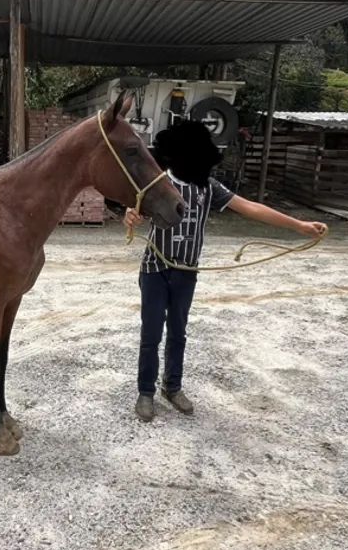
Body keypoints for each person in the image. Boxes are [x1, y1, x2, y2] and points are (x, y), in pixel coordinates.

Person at [126, 119, 327, 422]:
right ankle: (145, 392)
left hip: (186, 272)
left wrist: (299, 225)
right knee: (151, 334)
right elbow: (133, 211)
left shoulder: (208, 187)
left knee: (178, 332)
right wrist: (130, 217)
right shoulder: (157, 184)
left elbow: (250, 207)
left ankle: (172, 387)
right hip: (155, 269)